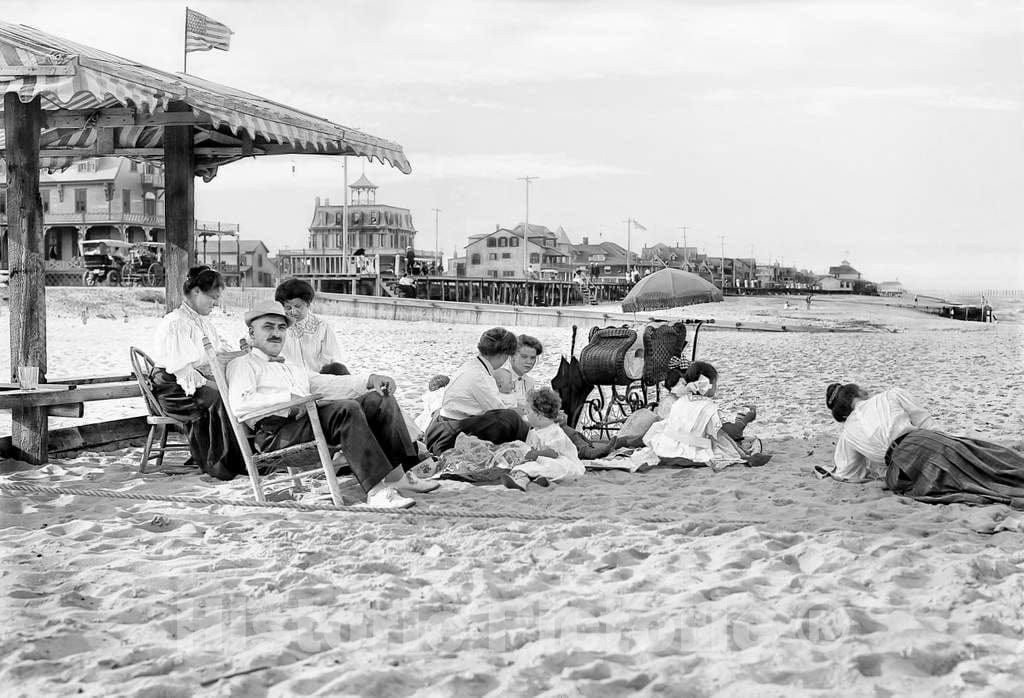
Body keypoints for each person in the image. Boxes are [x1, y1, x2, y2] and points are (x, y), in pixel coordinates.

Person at [226, 301, 436, 509]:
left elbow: (329, 384)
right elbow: (240, 404)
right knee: (346, 409)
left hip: (307, 422)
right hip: (277, 435)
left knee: (379, 400)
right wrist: (286, 399)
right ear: (252, 334)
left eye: (281, 328)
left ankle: (398, 476)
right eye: (268, 327)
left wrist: (370, 380)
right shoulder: (243, 365)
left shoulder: (292, 367)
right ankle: (376, 491)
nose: (276, 333)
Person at [820, 383, 1024, 506]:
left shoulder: (847, 432)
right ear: (859, 392)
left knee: (961, 484)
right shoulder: (889, 395)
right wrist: (951, 441)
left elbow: (849, 472)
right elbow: (926, 422)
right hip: (919, 441)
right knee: (983, 460)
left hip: (898, 474)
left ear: (843, 413)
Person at [150, 265, 245, 479]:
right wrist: (212, 384)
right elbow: (182, 370)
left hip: (190, 380)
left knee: (234, 393)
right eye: (212, 298)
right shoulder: (176, 322)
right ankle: (218, 461)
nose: (216, 303)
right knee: (219, 397)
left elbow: (217, 353)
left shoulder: (202, 322)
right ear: (196, 292)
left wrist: (241, 354)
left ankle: (238, 456)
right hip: (173, 387)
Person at [424, 327, 530, 455]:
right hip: (447, 436)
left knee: (510, 416)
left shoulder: (472, 365)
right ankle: (531, 443)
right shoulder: (481, 376)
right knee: (511, 418)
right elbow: (498, 410)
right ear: (503, 355)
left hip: (440, 428)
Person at [643, 362, 767, 468]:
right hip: (691, 448)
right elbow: (732, 431)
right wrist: (745, 420)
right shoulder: (708, 407)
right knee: (724, 439)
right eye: (715, 383)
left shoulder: (681, 400)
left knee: (716, 433)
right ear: (707, 385)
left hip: (666, 446)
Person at [504, 388, 586, 490]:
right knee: (526, 466)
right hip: (541, 461)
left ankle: (531, 478)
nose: (526, 415)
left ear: (539, 415)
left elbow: (553, 453)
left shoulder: (554, 432)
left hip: (560, 461)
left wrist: (536, 454)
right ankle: (526, 479)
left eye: (528, 412)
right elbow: (531, 448)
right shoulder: (534, 431)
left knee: (553, 466)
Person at [502, 334, 541, 410]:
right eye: (524, 357)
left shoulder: (530, 382)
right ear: (513, 356)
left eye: (532, 358)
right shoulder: (499, 378)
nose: (529, 362)